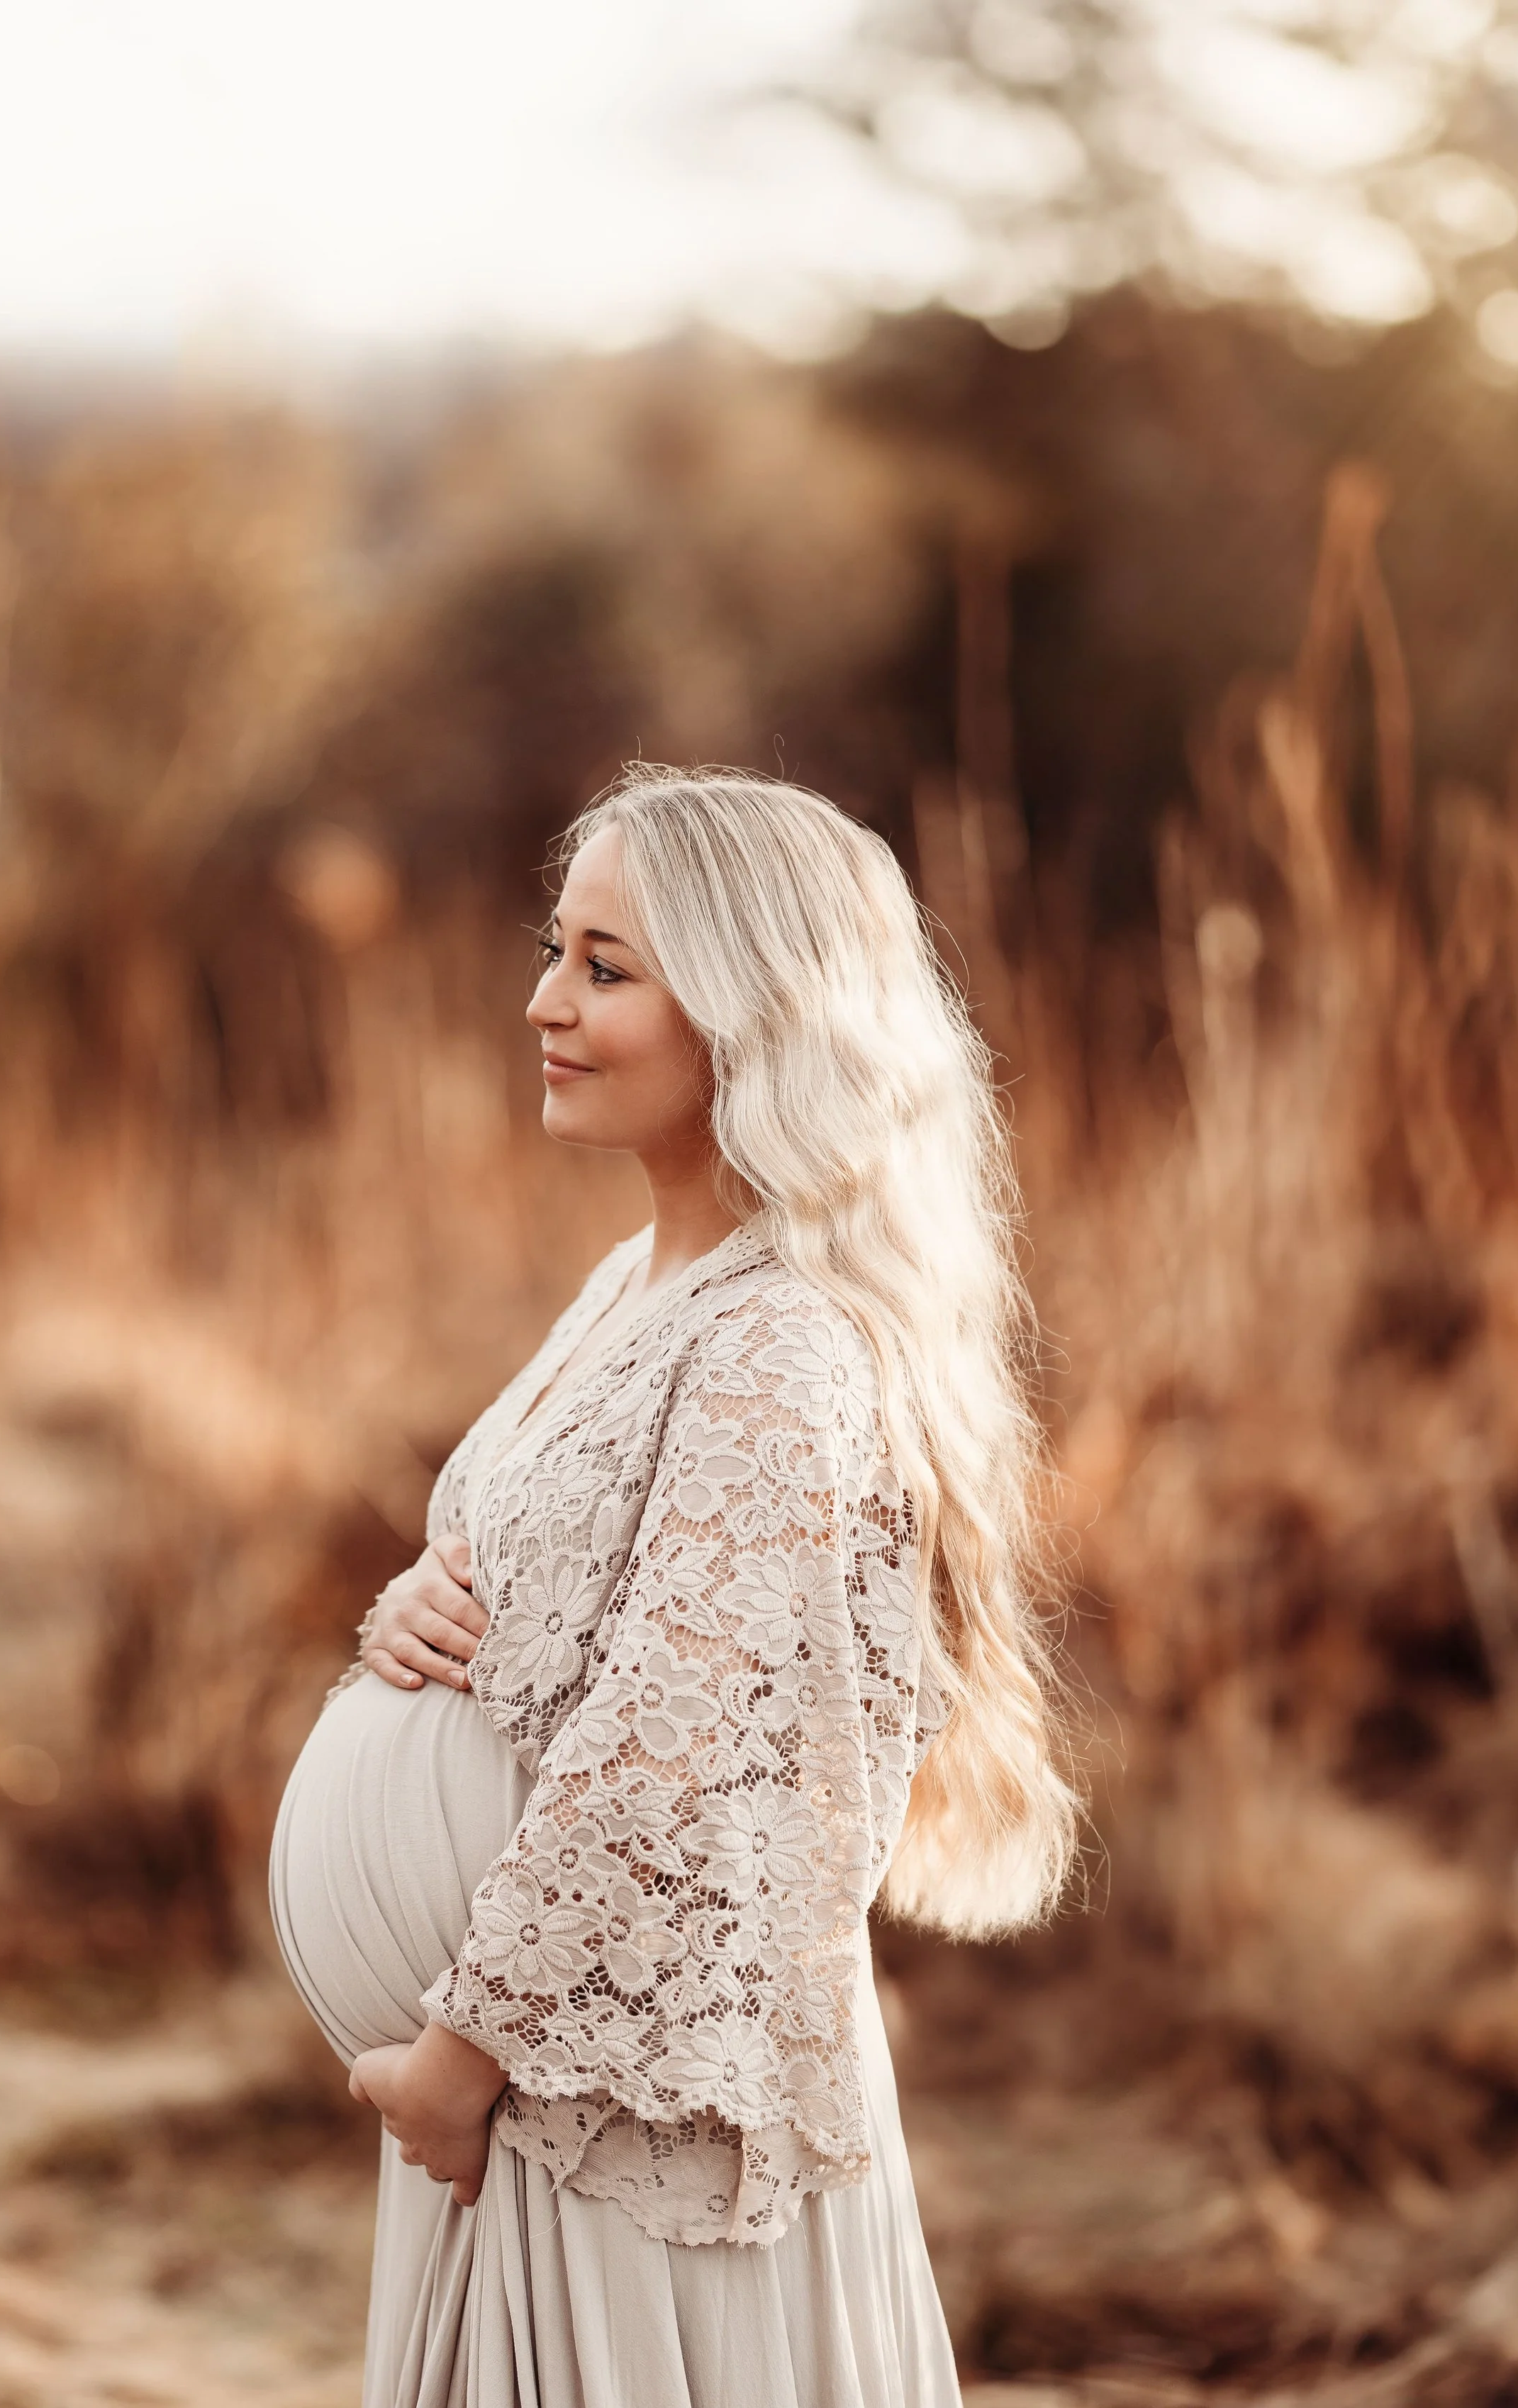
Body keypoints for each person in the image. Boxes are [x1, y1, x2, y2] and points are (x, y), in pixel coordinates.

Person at [269, 765, 1079, 2406]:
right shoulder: (637, 1285)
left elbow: (667, 1741)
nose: (541, 1002)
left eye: (603, 967)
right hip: (526, 2107)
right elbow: (556, 1611)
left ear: (755, 1013)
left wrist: (456, 2058)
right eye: (556, 952)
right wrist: (401, 1620)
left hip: (608, 2113)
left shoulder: (780, 1342)